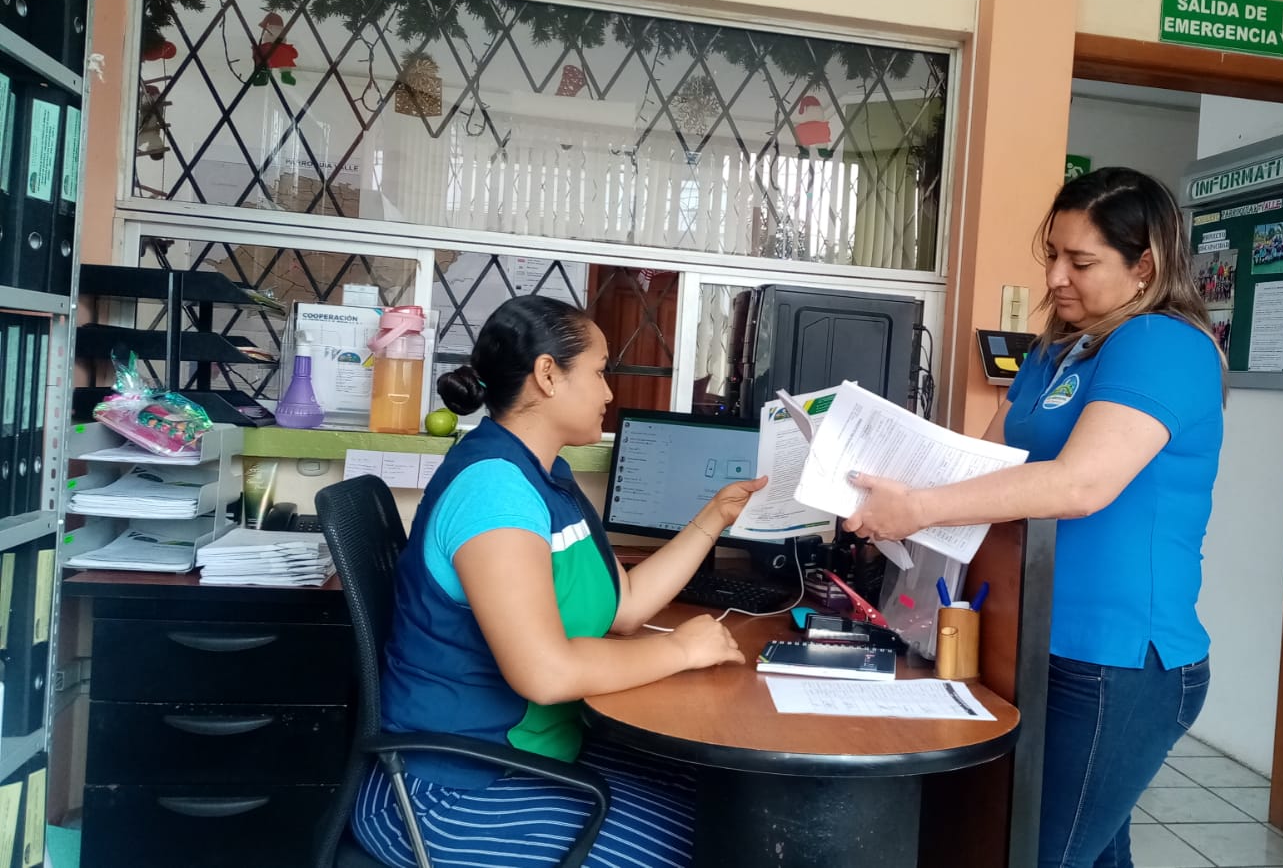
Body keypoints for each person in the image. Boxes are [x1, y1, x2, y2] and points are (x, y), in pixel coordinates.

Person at [844, 167, 1225, 868]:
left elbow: (1080, 485)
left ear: (1144, 266)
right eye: (1051, 254)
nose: (1054, 277)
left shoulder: (1163, 344)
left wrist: (917, 509)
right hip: (1031, 640)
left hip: (1113, 660)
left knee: (1032, 852)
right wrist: (876, 491)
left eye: (1080, 261)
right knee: (1078, 851)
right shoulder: (1055, 351)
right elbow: (983, 469)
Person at [350, 294, 765, 868]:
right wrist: (680, 649)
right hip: (446, 793)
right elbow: (544, 673)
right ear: (548, 375)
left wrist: (715, 516)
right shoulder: (494, 491)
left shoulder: (548, 477)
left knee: (738, 806)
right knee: (723, 845)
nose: (609, 393)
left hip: (534, 759)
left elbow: (625, 606)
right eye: (598, 372)